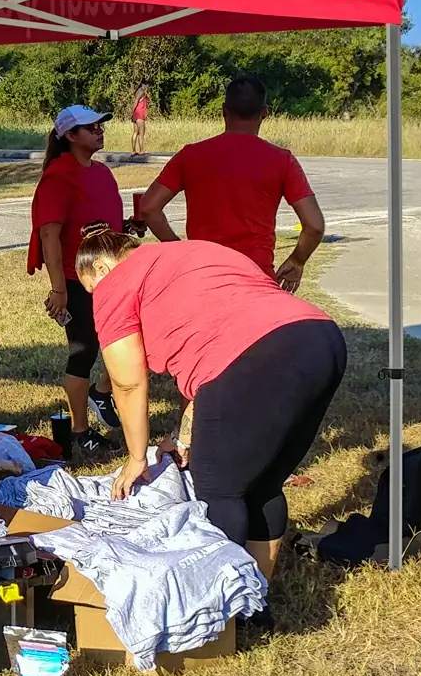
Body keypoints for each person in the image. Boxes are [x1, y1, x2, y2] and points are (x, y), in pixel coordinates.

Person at [76, 231, 346, 610]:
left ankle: (221, 614)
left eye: (91, 289)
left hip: (253, 357)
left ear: (101, 267)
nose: (96, 298)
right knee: (263, 482)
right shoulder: (194, 252)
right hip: (320, 339)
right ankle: (255, 601)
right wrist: (179, 436)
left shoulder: (116, 283)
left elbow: (127, 380)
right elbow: (210, 349)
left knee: (220, 491)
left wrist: (137, 456)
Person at [135, 76, 327, 291]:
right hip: (255, 276)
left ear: (224, 110)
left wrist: (181, 250)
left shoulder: (191, 155)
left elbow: (149, 207)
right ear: (264, 112)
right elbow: (314, 226)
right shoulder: (282, 160)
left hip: (203, 273)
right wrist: (297, 261)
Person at [29, 103, 125, 460]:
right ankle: (81, 431)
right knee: (82, 352)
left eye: (100, 125)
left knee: (127, 341)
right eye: (90, 127)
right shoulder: (59, 175)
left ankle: (101, 393)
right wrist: (59, 289)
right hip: (77, 279)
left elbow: (102, 225)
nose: (99, 130)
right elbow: (49, 234)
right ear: (70, 136)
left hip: (110, 276)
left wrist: (127, 229)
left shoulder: (101, 173)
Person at [130, 86, 151, 155]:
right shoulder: (141, 91)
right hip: (139, 114)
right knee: (141, 133)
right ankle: (141, 150)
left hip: (136, 114)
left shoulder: (138, 91)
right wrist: (132, 112)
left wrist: (133, 113)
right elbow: (136, 102)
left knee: (136, 132)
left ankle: (133, 150)